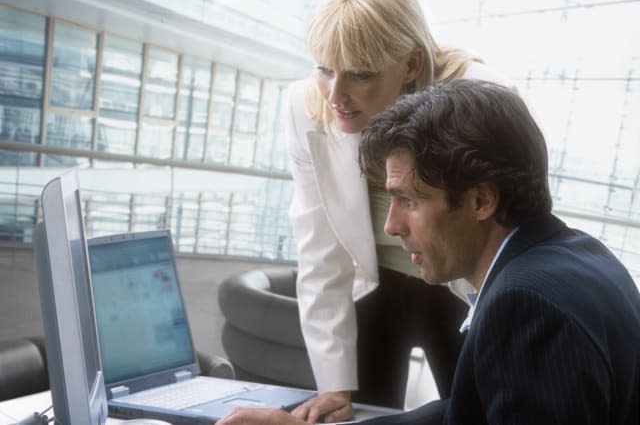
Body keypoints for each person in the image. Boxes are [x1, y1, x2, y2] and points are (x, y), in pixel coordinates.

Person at [217, 79, 640, 425]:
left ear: (480, 201)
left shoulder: (525, 306)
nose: (391, 225)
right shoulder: (577, 256)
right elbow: (465, 414)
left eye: (410, 202)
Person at [283, 0, 508, 422]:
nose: (335, 94)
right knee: (360, 415)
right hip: (376, 286)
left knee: (477, 415)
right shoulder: (305, 106)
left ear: (410, 65)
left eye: (361, 74)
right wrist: (333, 384)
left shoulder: (482, 100)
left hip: (463, 287)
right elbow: (319, 251)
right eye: (324, 68)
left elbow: (509, 227)